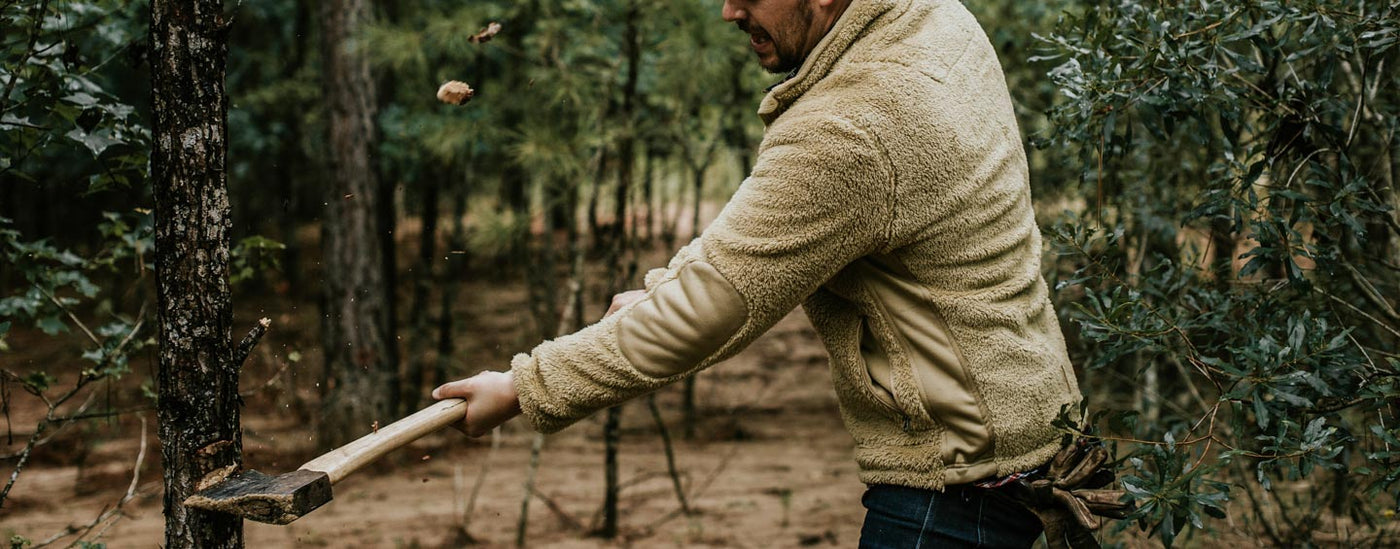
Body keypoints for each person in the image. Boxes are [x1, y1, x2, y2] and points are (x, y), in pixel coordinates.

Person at [432, 0, 1084, 545]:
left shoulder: (854, 122)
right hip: (1032, 443)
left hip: (955, 494)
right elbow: (760, 232)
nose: (728, 11)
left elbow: (721, 300)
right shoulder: (934, 18)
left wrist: (525, 385)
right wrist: (667, 291)